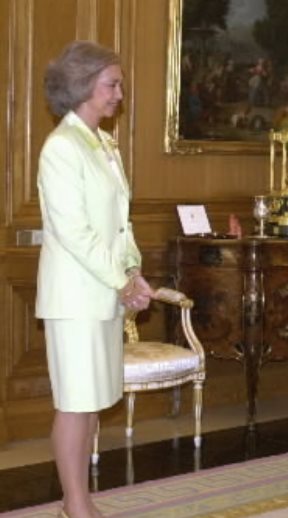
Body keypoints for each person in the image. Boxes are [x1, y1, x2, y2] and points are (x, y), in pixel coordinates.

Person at [36, 40, 153, 518]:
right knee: (75, 402)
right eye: (112, 84)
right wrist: (119, 280)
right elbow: (75, 232)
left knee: (90, 402)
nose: (120, 93)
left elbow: (120, 222)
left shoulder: (103, 143)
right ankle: (74, 503)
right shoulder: (61, 148)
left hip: (102, 293)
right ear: (83, 86)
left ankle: (78, 499)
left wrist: (132, 269)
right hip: (75, 298)